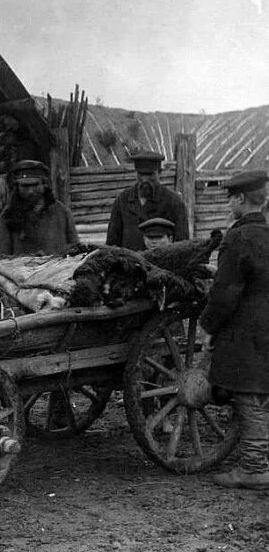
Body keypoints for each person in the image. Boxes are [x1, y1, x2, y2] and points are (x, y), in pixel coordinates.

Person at [199, 169, 269, 490]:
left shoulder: (238, 238)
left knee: (248, 393)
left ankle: (254, 468)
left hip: (247, 330)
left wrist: (207, 327)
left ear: (241, 199)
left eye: (230, 197)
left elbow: (225, 294)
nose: (228, 203)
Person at [0, 160, 79, 256]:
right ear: (17, 187)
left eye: (35, 185)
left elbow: (75, 247)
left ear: (44, 184)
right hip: (20, 269)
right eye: (25, 186)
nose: (30, 191)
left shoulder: (62, 212)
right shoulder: (8, 215)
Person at [105, 151, 189, 250]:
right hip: (129, 263)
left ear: (160, 173)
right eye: (141, 175)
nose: (145, 180)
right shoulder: (122, 201)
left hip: (160, 264)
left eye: (150, 175)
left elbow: (183, 246)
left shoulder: (174, 203)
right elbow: (112, 244)